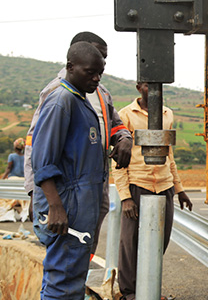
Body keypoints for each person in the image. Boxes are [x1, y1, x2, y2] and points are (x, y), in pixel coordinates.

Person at [28, 42, 107, 300]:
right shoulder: (61, 100)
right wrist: (56, 207)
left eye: (100, 73)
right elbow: (42, 159)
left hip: (80, 202)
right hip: (67, 205)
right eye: (90, 73)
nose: (96, 79)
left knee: (73, 274)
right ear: (71, 67)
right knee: (63, 276)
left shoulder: (79, 99)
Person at [23, 32, 132, 252]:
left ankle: (79, 283)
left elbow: (114, 124)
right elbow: (37, 147)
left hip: (94, 186)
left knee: (85, 245)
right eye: (94, 62)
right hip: (65, 190)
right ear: (74, 63)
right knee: (64, 252)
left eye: (102, 62)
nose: (98, 74)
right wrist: (37, 194)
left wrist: (124, 138)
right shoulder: (57, 94)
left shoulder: (101, 92)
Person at [113, 81, 192, 300]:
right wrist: (126, 197)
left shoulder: (168, 114)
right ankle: (130, 293)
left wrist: (180, 190)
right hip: (138, 182)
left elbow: (169, 154)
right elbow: (118, 161)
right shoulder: (125, 115)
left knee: (160, 240)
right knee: (131, 242)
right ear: (139, 87)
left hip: (164, 184)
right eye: (148, 85)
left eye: (158, 85)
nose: (154, 89)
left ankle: (150, 287)